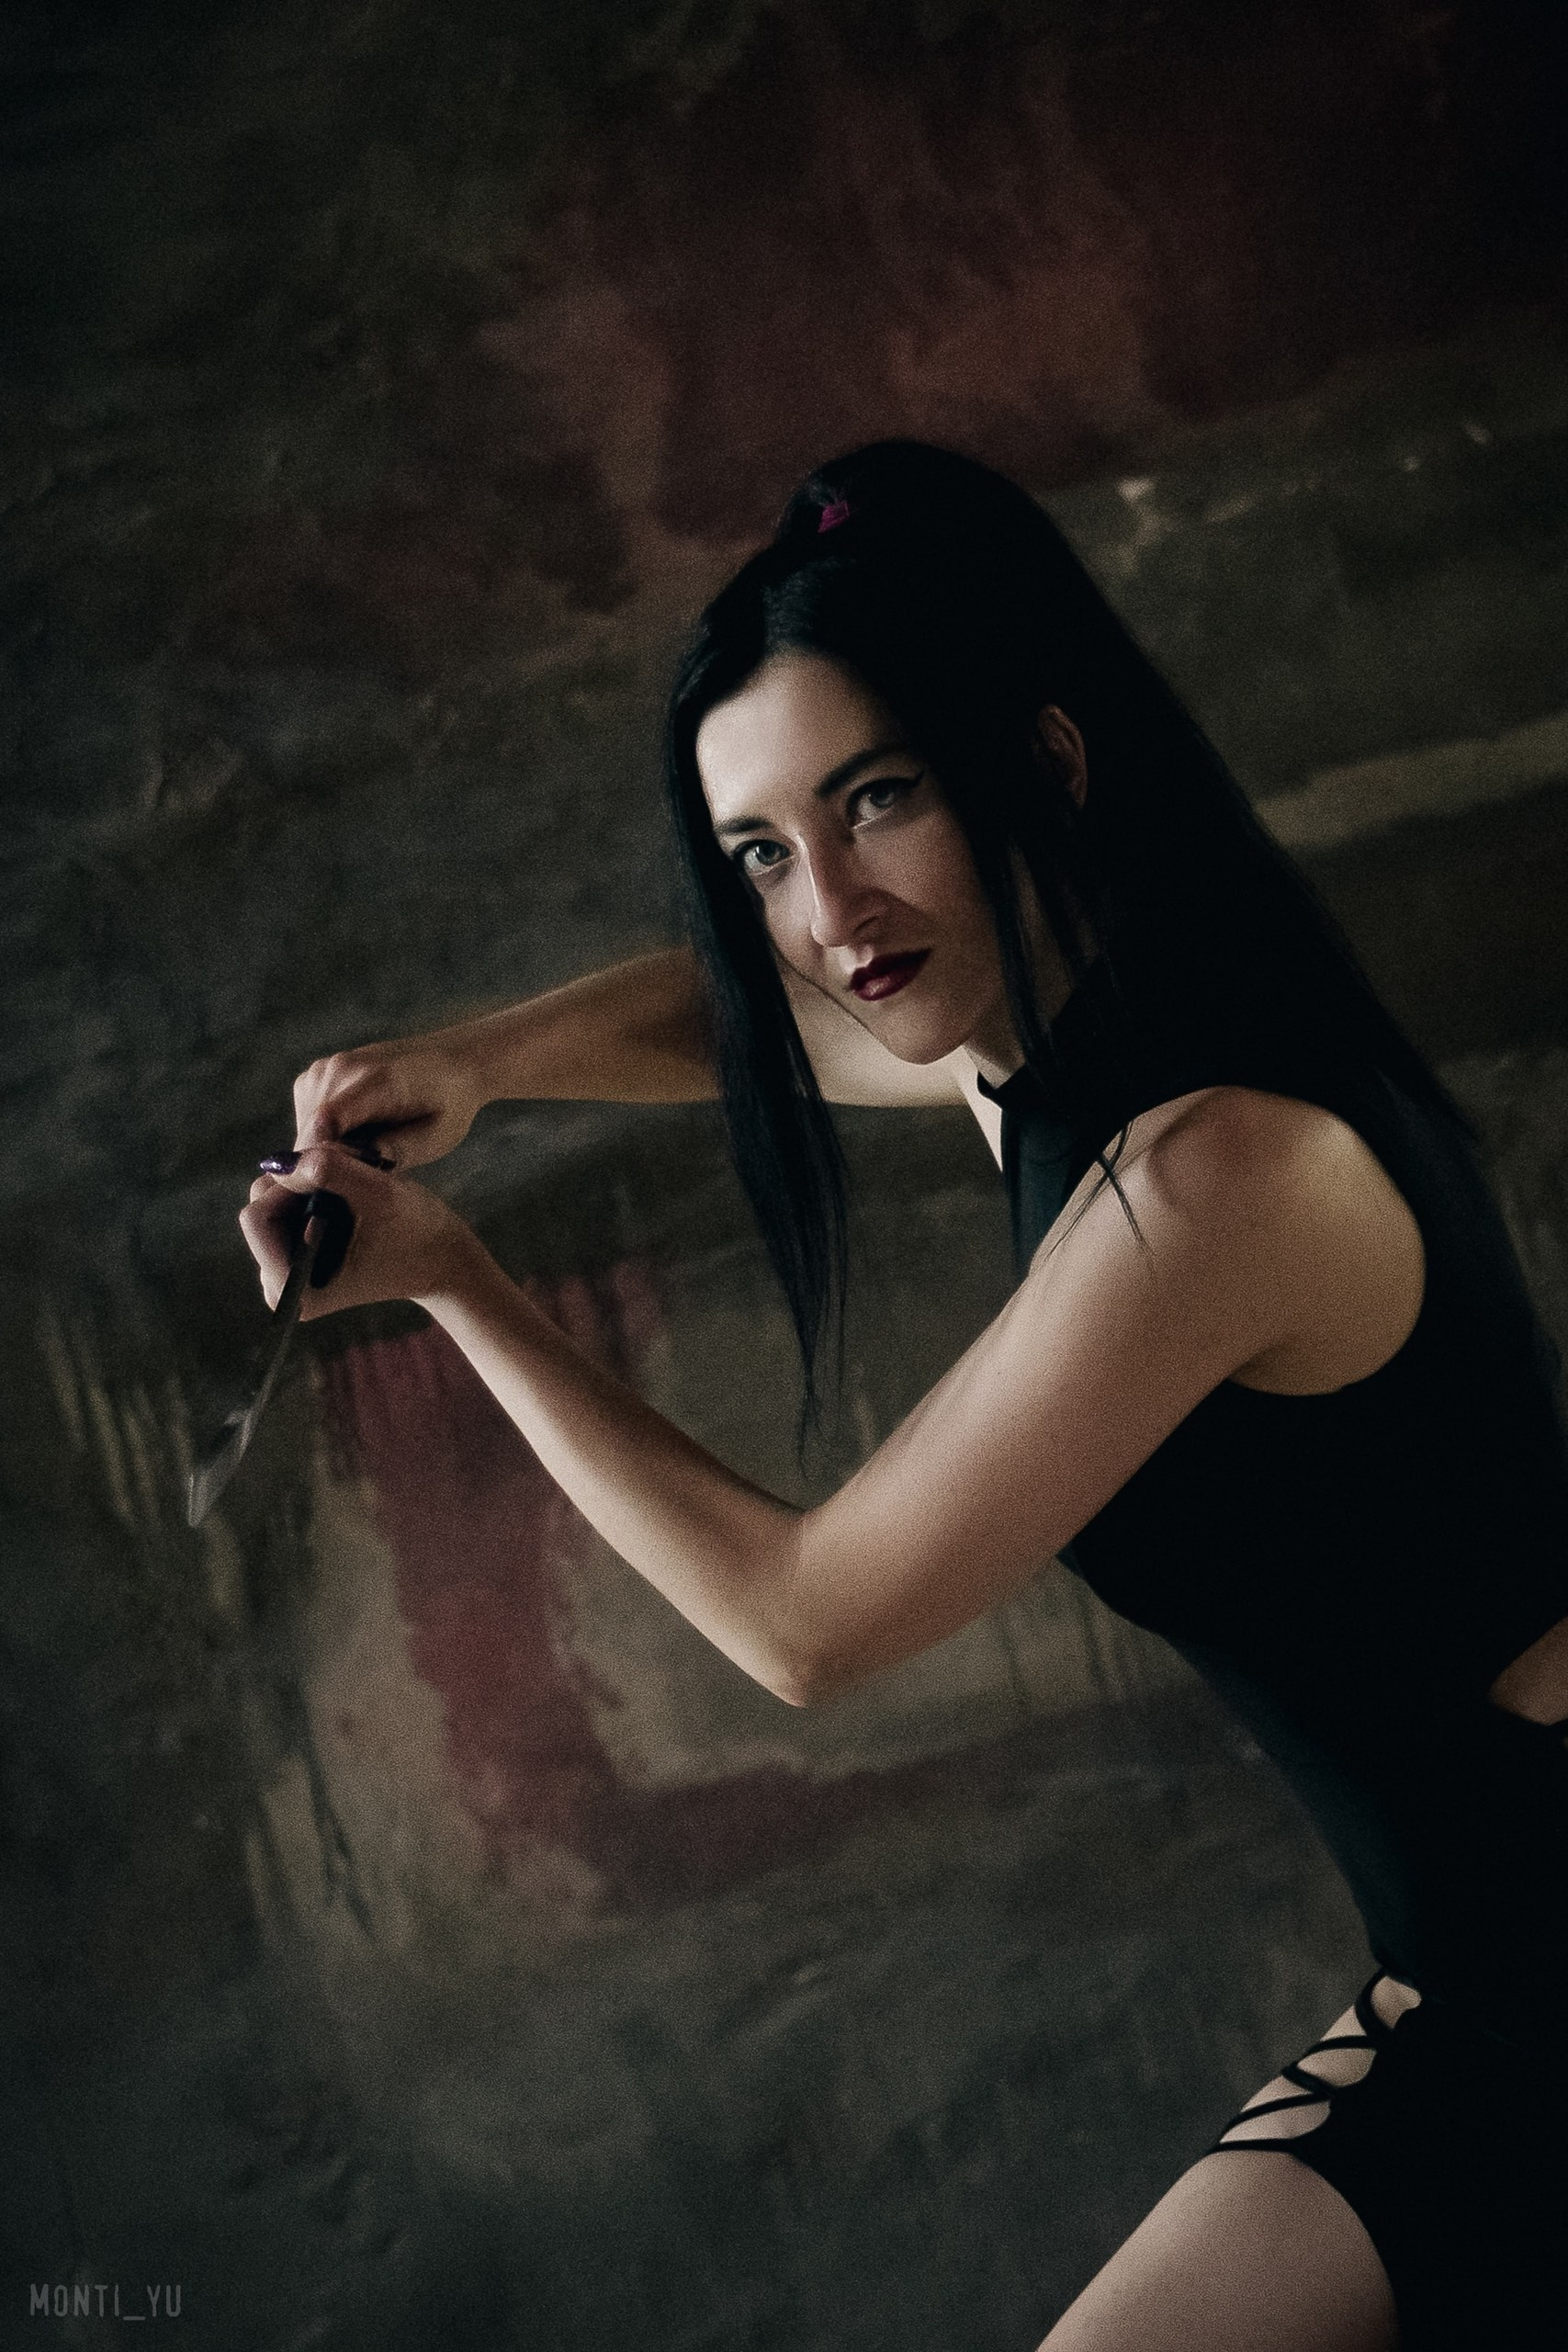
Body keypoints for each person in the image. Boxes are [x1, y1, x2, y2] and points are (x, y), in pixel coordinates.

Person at [243, 442, 1568, 2350]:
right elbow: (766, 1017)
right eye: (761, 853)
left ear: (1041, 759)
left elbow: (804, 1621)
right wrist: (477, 1057)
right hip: (1481, 1954)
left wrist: (454, 1282)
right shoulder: (1063, 1026)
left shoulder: (1209, 1177)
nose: (830, 907)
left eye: (878, 798)